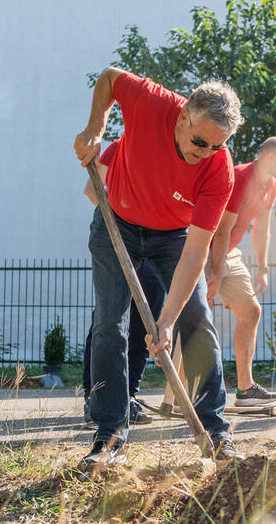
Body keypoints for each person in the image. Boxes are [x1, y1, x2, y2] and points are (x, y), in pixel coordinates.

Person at [73, 66, 243, 467]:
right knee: (109, 324)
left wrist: (167, 320)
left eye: (216, 147)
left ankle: (216, 435)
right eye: (200, 142)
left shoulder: (219, 171)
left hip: (173, 238)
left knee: (197, 320)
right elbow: (109, 77)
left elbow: (197, 248)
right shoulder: (151, 102)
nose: (204, 154)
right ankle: (108, 437)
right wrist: (95, 128)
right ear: (183, 115)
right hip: (116, 225)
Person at [205, 137, 276, 405]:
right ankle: (192, 393)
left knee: (251, 312)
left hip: (229, 253)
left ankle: (245, 389)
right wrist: (215, 271)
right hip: (205, 251)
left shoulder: (271, 185)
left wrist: (262, 267)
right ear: (270, 157)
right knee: (198, 319)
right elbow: (221, 229)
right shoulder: (242, 178)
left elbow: (262, 228)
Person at [81, 140, 163, 426]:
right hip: (120, 243)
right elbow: (93, 191)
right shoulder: (120, 147)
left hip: (156, 247)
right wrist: (121, 220)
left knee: (145, 322)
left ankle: (128, 397)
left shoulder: (174, 154)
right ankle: (97, 398)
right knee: (108, 320)